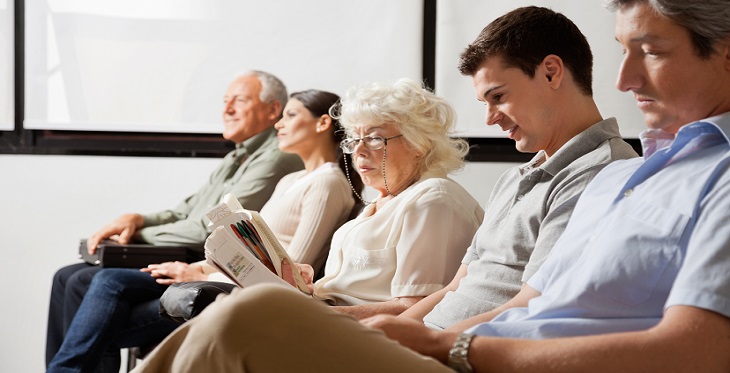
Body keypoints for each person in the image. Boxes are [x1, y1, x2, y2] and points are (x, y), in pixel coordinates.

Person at [132, 1, 730, 372]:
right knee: (235, 319)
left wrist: (442, 344)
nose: (625, 80)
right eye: (354, 141)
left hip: (475, 353)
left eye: (498, 96)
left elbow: (684, 345)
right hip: (461, 343)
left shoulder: (603, 167)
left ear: (551, 72)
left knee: (250, 316)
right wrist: (401, 330)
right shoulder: (615, 175)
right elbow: (487, 289)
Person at [45, 70, 304, 372]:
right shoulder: (237, 157)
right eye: (225, 101)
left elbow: (207, 228)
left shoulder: (275, 157)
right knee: (65, 276)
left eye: (240, 101)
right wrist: (139, 220)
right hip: (187, 251)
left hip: (200, 258)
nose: (227, 109)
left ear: (273, 110)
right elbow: (186, 211)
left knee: (88, 280)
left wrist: (139, 237)